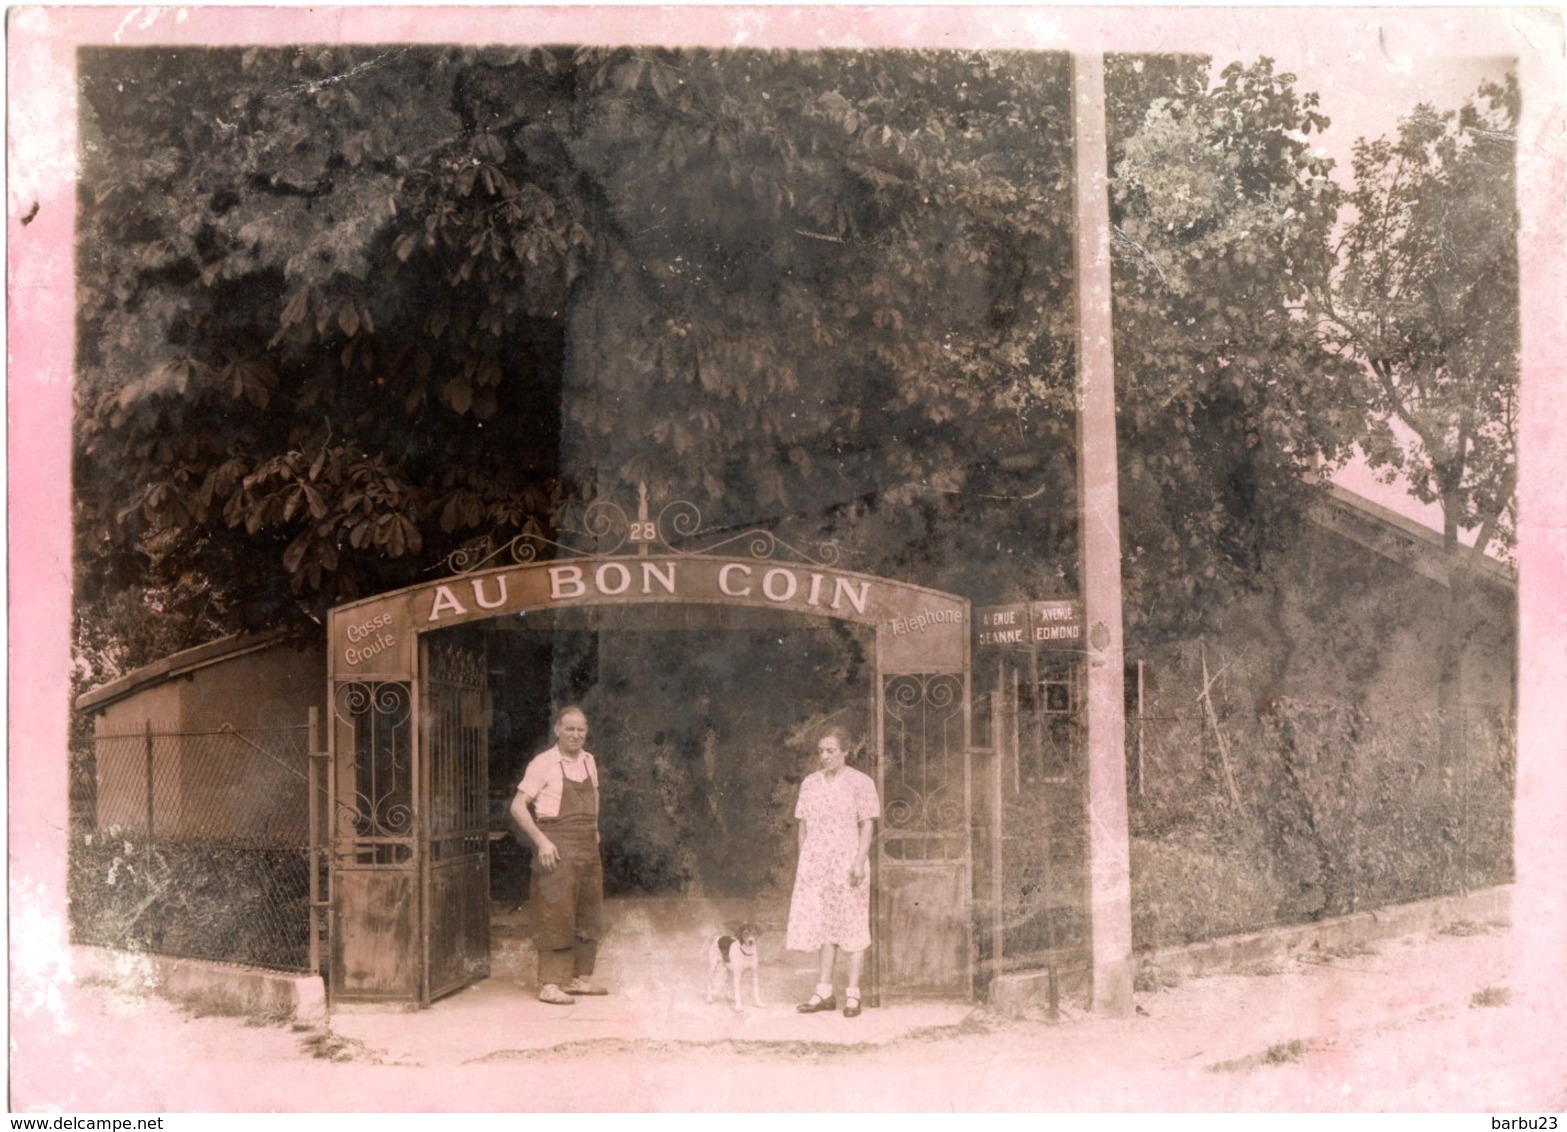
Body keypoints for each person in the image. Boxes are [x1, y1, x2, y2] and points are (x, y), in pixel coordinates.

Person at [510, 705, 609, 1005]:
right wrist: (542, 841)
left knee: (588, 910)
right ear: (557, 730)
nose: (576, 735)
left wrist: (594, 829)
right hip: (556, 845)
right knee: (556, 911)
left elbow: (596, 794)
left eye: (581, 729)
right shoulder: (543, 763)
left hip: (587, 845)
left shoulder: (590, 761)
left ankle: (579, 979)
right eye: (570, 729)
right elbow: (517, 806)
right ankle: (550, 984)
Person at [785, 724, 880, 1018]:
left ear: (845, 752)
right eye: (821, 751)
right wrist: (806, 863)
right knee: (825, 925)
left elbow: (867, 824)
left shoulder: (860, 782)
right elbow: (803, 825)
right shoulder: (810, 783)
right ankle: (824, 991)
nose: (825, 756)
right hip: (817, 865)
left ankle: (853, 995)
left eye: (831, 750)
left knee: (852, 925)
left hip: (848, 863)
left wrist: (858, 862)